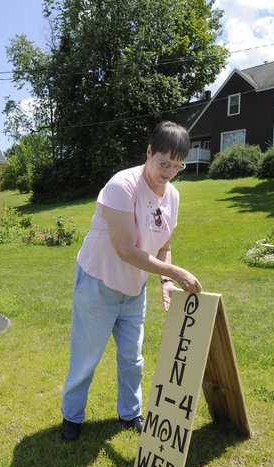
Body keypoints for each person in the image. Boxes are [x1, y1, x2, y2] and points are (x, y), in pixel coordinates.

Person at [60, 121, 203, 441]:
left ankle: (130, 412)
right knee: (86, 356)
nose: (168, 172)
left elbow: (164, 245)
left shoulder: (173, 196)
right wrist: (176, 273)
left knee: (132, 357)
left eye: (176, 166)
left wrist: (165, 283)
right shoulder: (122, 185)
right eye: (163, 162)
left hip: (134, 288)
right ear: (148, 152)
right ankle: (72, 417)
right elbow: (126, 249)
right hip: (98, 281)